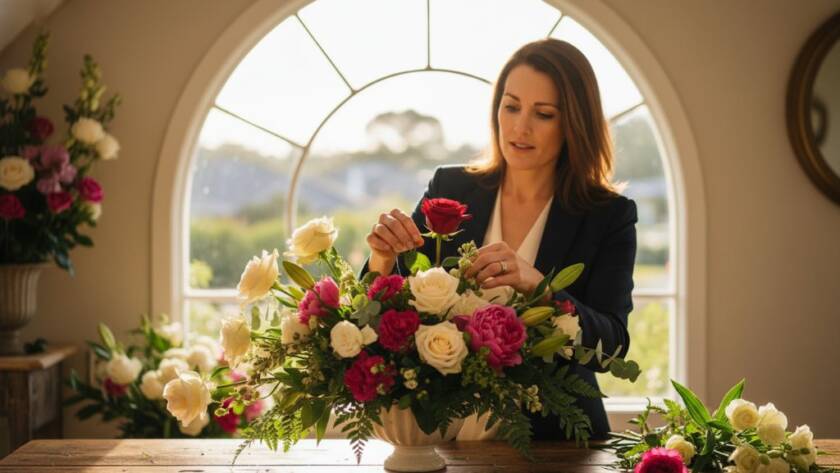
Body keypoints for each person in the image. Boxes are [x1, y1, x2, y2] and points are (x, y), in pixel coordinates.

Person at [362, 38, 637, 440]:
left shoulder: (608, 215)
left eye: (543, 114)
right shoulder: (450, 187)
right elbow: (376, 314)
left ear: (574, 123)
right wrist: (381, 258)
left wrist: (540, 289)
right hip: (441, 437)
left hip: (555, 442)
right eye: (511, 107)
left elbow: (612, 349)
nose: (519, 127)